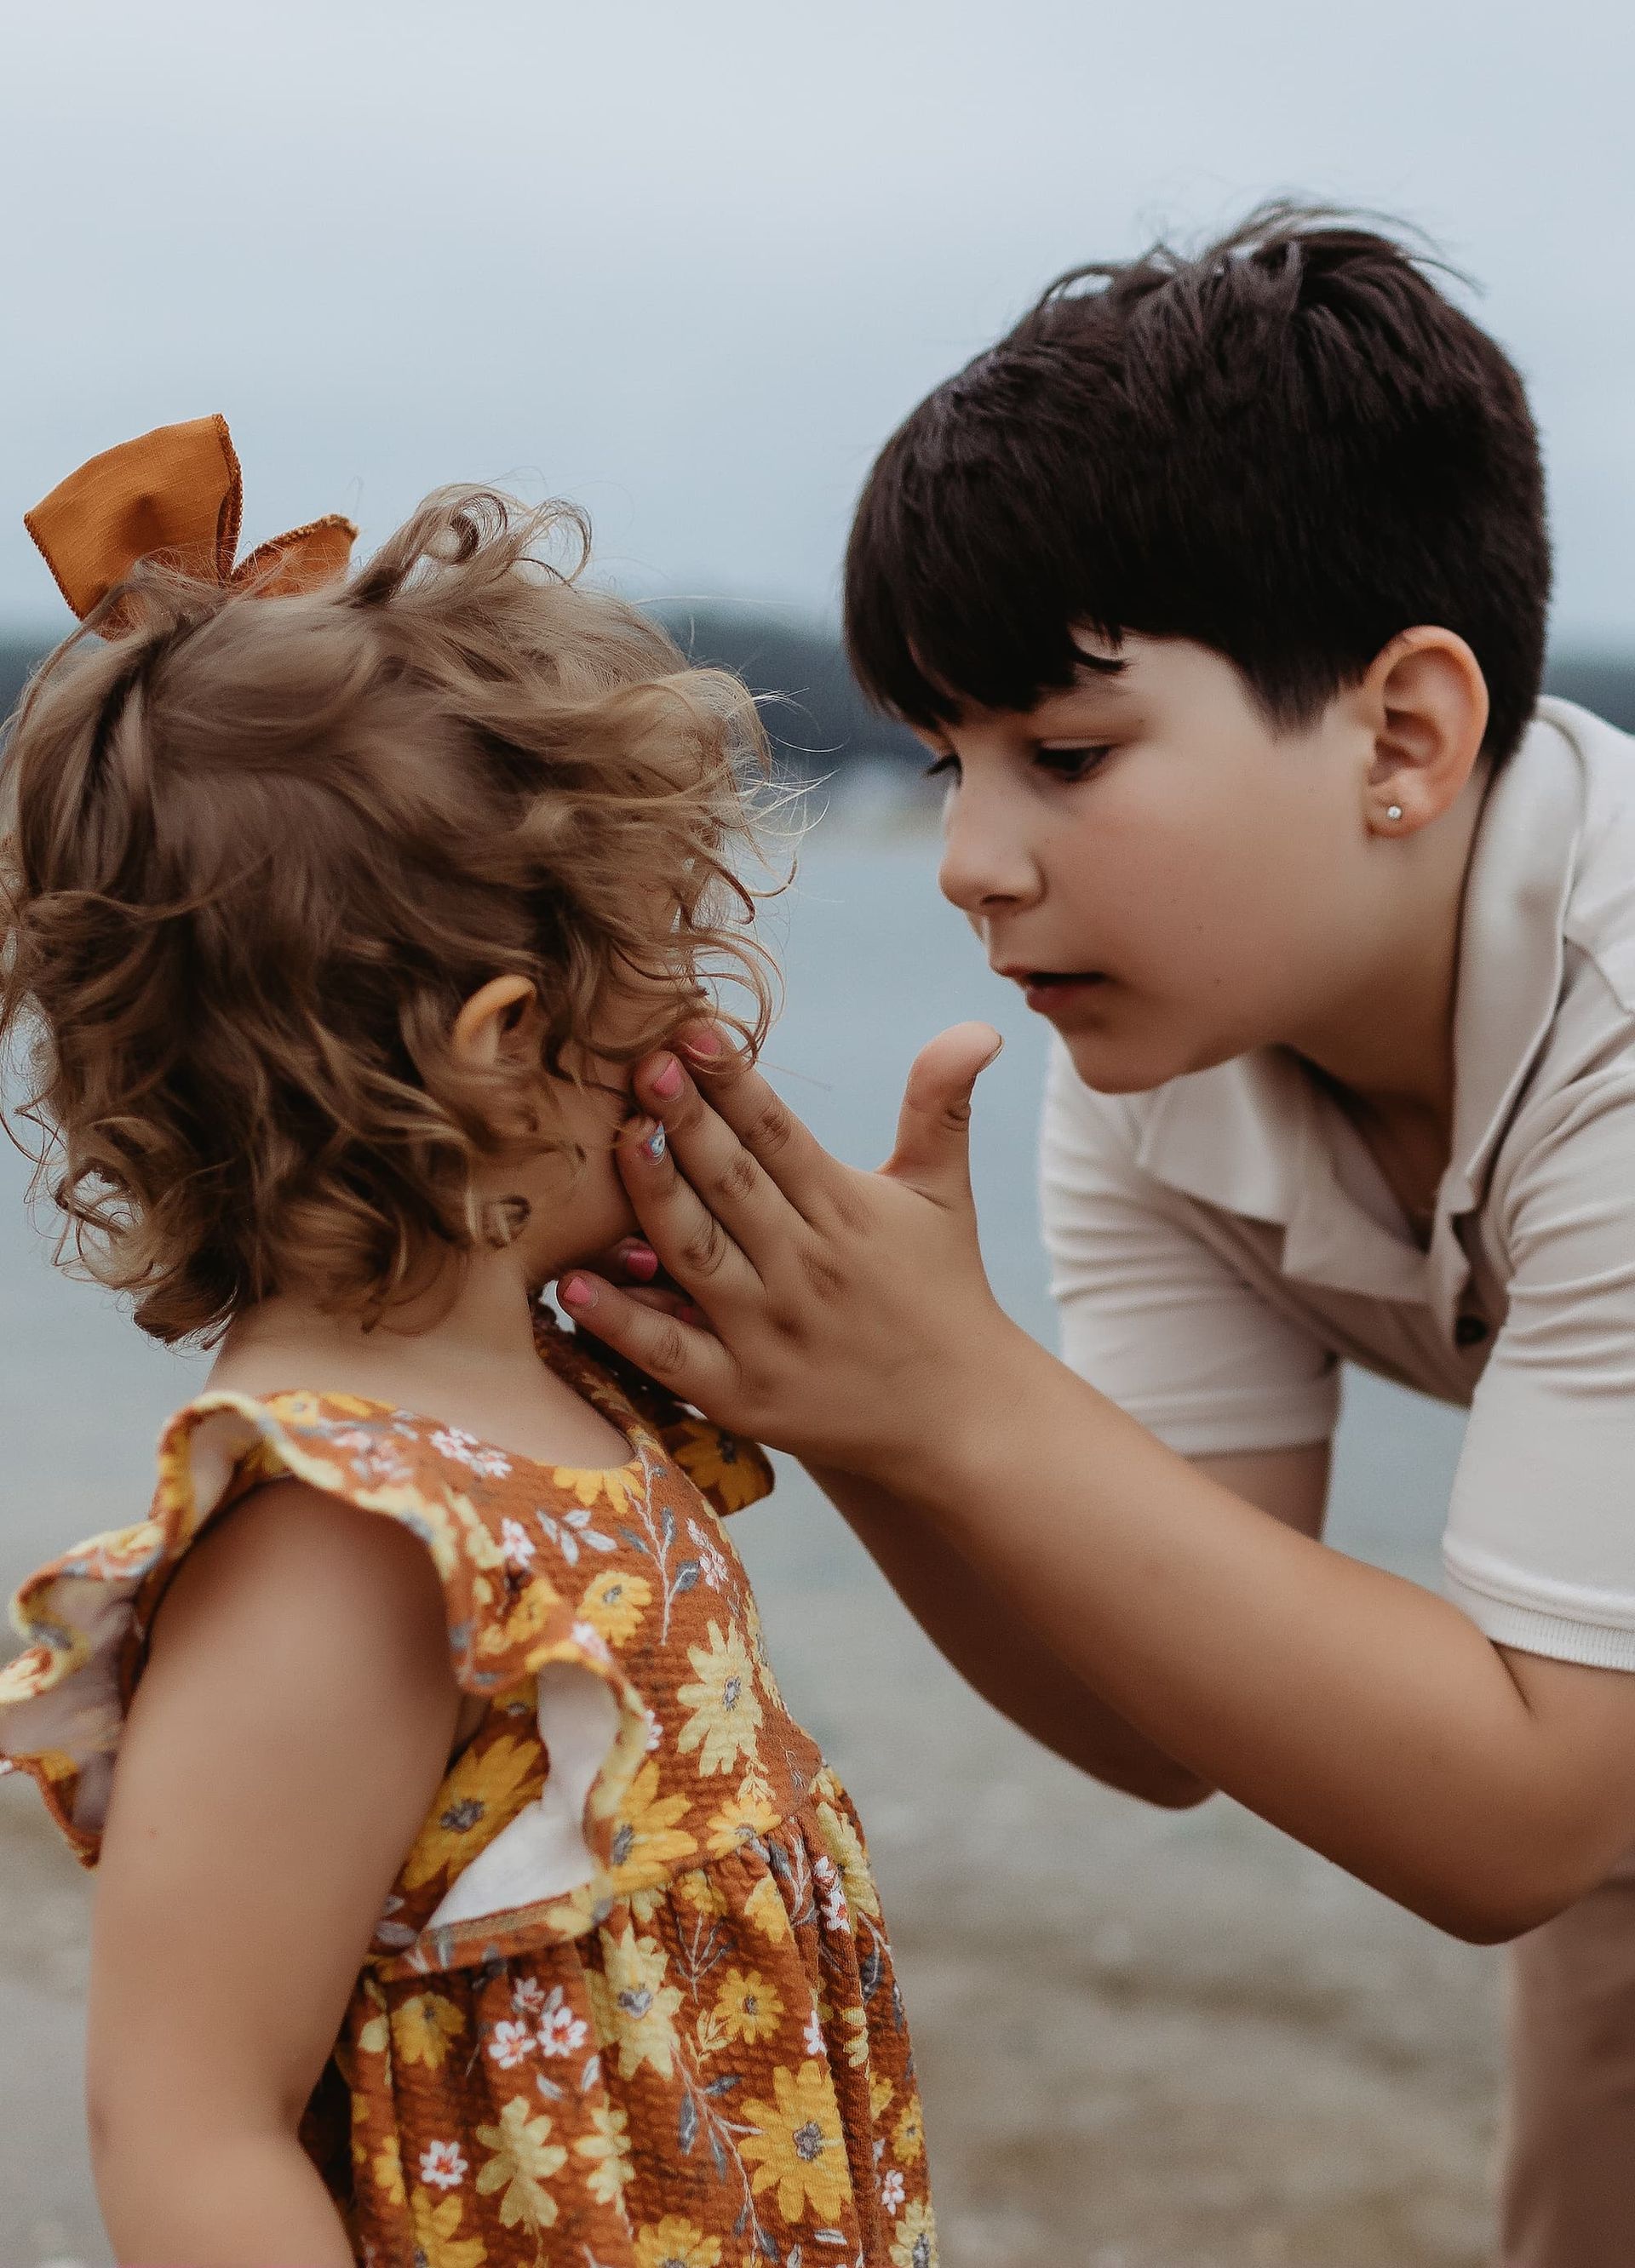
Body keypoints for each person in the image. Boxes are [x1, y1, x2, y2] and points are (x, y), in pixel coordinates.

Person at [556, 210, 1635, 2267]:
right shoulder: (1154, 1054)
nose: (971, 860)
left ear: (1405, 737)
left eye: (1063, 757)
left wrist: (958, 1397)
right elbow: (1161, 1720)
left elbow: (1521, 1809)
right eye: (947, 761)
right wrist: (866, 1411)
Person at [0, 418, 936, 2268]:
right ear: (504, 1042)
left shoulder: (558, 1389)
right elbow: (189, 2127)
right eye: (666, 951)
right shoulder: (348, 1533)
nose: (700, 1022)